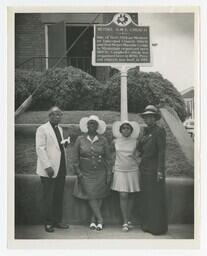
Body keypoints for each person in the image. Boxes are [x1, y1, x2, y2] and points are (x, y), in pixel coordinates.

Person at [72, 115, 112, 231]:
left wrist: (109, 173)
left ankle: (93, 221)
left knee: (98, 196)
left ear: (97, 126)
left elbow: (109, 158)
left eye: (94, 124)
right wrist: (78, 172)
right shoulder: (80, 139)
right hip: (85, 173)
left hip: (100, 172)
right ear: (86, 126)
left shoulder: (103, 140)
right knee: (91, 195)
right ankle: (100, 219)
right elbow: (75, 159)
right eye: (90, 123)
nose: (92, 126)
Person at [36, 106, 69, 233]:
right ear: (49, 116)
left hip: (61, 167)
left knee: (58, 196)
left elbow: (57, 147)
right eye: (54, 114)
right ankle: (48, 222)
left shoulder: (60, 129)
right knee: (48, 197)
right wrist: (47, 166)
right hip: (49, 169)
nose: (57, 117)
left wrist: (65, 145)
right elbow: (40, 148)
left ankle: (57, 220)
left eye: (59, 115)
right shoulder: (42, 129)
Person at [137, 105, 168, 235]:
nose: (148, 119)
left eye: (151, 117)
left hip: (154, 168)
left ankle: (157, 227)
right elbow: (139, 148)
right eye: (146, 117)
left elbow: (161, 152)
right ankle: (147, 225)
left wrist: (160, 171)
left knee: (155, 198)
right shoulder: (145, 131)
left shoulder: (159, 131)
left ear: (155, 118)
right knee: (146, 197)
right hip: (144, 167)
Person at [111, 120, 141, 232]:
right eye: (123, 128)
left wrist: (137, 158)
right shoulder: (115, 141)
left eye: (128, 128)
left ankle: (128, 219)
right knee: (123, 195)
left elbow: (139, 155)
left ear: (131, 130)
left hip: (132, 170)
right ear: (120, 130)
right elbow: (109, 154)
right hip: (120, 170)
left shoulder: (136, 142)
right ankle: (124, 221)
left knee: (132, 195)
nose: (126, 130)